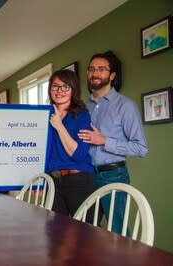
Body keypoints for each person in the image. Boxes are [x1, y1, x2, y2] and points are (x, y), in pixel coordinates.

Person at [78, 51, 148, 234]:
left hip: (113, 175)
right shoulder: (84, 107)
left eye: (101, 69)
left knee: (117, 232)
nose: (95, 73)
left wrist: (104, 141)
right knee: (87, 231)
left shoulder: (126, 106)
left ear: (112, 75)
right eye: (92, 69)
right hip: (86, 175)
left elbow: (141, 148)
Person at [46, 69, 96, 219]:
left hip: (78, 181)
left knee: (84, 234)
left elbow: (78, 154)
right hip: (52, 182)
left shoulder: (82, 116)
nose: (59, 90)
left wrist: (59, 126)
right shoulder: (43, 114)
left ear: (73, 89)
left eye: (65, 86)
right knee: (54, 234)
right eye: (55, 86)